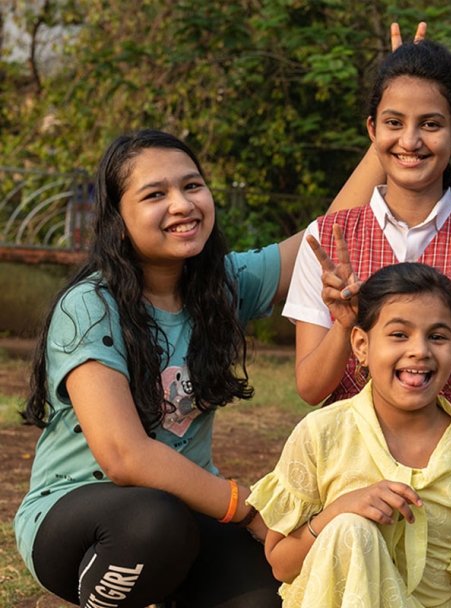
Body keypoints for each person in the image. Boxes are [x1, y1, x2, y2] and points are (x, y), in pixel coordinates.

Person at [13, 129, 362, 608]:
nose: (182, 204)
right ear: (118, 218)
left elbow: (323, 235)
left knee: (267, 596)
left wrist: (391, 142)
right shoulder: (90, 306)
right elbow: (124, 455)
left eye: (192, 186)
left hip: (186, 510)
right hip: (78, 515)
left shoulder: (221, 287)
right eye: (155, 194)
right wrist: (244, 508)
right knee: (152, 525)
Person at [248, 262, 451, 608]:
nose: (420, 350)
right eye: (399, 334)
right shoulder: (321, 434)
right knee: (351, 529)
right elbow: (281, 564)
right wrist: (337, 512)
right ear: (361, 345)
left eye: (437, 336)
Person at [283, 35, 451, 429]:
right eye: (394, 123)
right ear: (372, 129)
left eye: (431, 124)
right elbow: (311, 389)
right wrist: (345, 322)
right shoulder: (329, 238)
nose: (410, 141)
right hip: (351, 464)